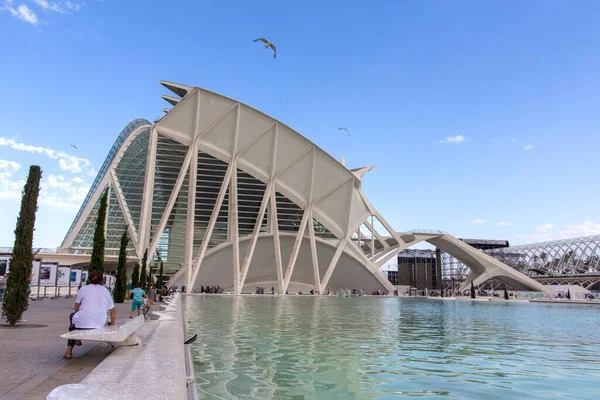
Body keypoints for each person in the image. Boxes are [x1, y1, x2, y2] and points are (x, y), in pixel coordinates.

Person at [64, 271, 116, 359]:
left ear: (89, 279)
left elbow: (76, 307)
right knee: (75, 320)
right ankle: (77, 339)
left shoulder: (83, 289)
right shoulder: (105, 290)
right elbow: (112, 310)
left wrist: (80, 314)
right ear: (102, 280)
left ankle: (69, 351)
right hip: (99, 322)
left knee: (72, 318)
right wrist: (112, 323)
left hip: (83, 320)